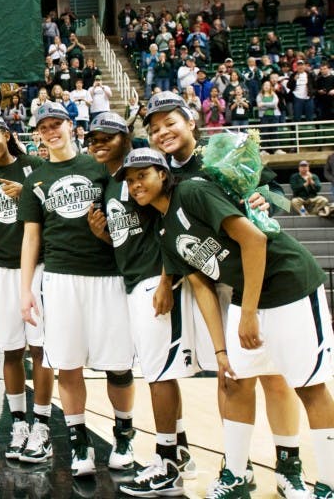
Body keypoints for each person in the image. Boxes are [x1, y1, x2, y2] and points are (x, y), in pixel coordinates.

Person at [119, 148, 334, 499]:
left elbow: (255, 239)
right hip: (245, 296)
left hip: (289, 284)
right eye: (129, 180)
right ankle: (235, 476)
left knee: (309, 386)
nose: (135, 184)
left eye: (142, 175)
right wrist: (220, 350)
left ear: (163, 174)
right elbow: (201, 287)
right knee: (233, 380)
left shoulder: (192, 192)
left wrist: (248, 313)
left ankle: (328, 483)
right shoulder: (166, 231)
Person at [144, 91, 308, 495]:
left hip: (254, 275)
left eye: (171, 123)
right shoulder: (157, 172)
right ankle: (238, 465)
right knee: (230, 377)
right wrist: (167, 279)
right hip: (209, 276)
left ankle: (289, 465)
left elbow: (275, 194)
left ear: (191, 122)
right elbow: (170, 235)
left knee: (274, 375)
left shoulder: (223, 152)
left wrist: (263, 200)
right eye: (156, 128)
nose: (164, 132)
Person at [83, 115, 199, 496]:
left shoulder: (148, 174)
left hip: (154, 282)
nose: (99, 143)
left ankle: (166, 460)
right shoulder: (117, 184)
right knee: (157, 370)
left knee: (160, 374)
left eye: (107, 137)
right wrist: (103, 236)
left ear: (125, 139)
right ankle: (179, 450)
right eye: (94, 138)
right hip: (133, 282)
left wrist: (167, 279)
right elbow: (128, 235)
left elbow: (171, 227)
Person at [18, 103, 135, 478]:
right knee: (67, 364)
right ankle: (79, 442)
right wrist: (25, 290)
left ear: (72, 126)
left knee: (119, 365)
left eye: (57, 124)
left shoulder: (99, 167)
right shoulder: (36, 178)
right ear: (38, 134)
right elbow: (31, 237)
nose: (52, 131)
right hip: (61, 277)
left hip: (108, 275)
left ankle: (124, 435)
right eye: (45, 127)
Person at [0, 113, 56, 461]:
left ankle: (42, 424)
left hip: (40, 267)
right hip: (2, 269)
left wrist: (30, 197)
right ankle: (19, 421)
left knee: (41, 349)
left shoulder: (36, 167)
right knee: (11, 349)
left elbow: (58, 216)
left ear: (7, 134)